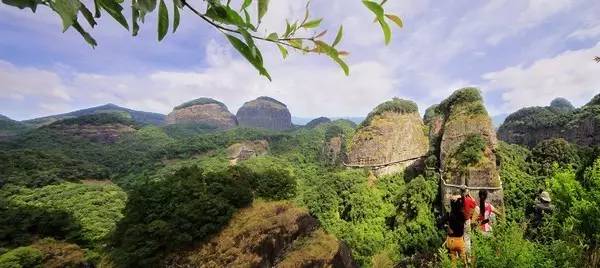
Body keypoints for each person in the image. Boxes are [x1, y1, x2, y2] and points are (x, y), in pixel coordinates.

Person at [445, 196, 467, 266]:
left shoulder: (449, 215)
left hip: (451, 241)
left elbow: (439, 223)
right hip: (460, 240)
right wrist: (461, 196)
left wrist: (446, 227)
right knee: (464, 261)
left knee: (453, 263)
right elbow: (463, 203)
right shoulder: (463, 216)